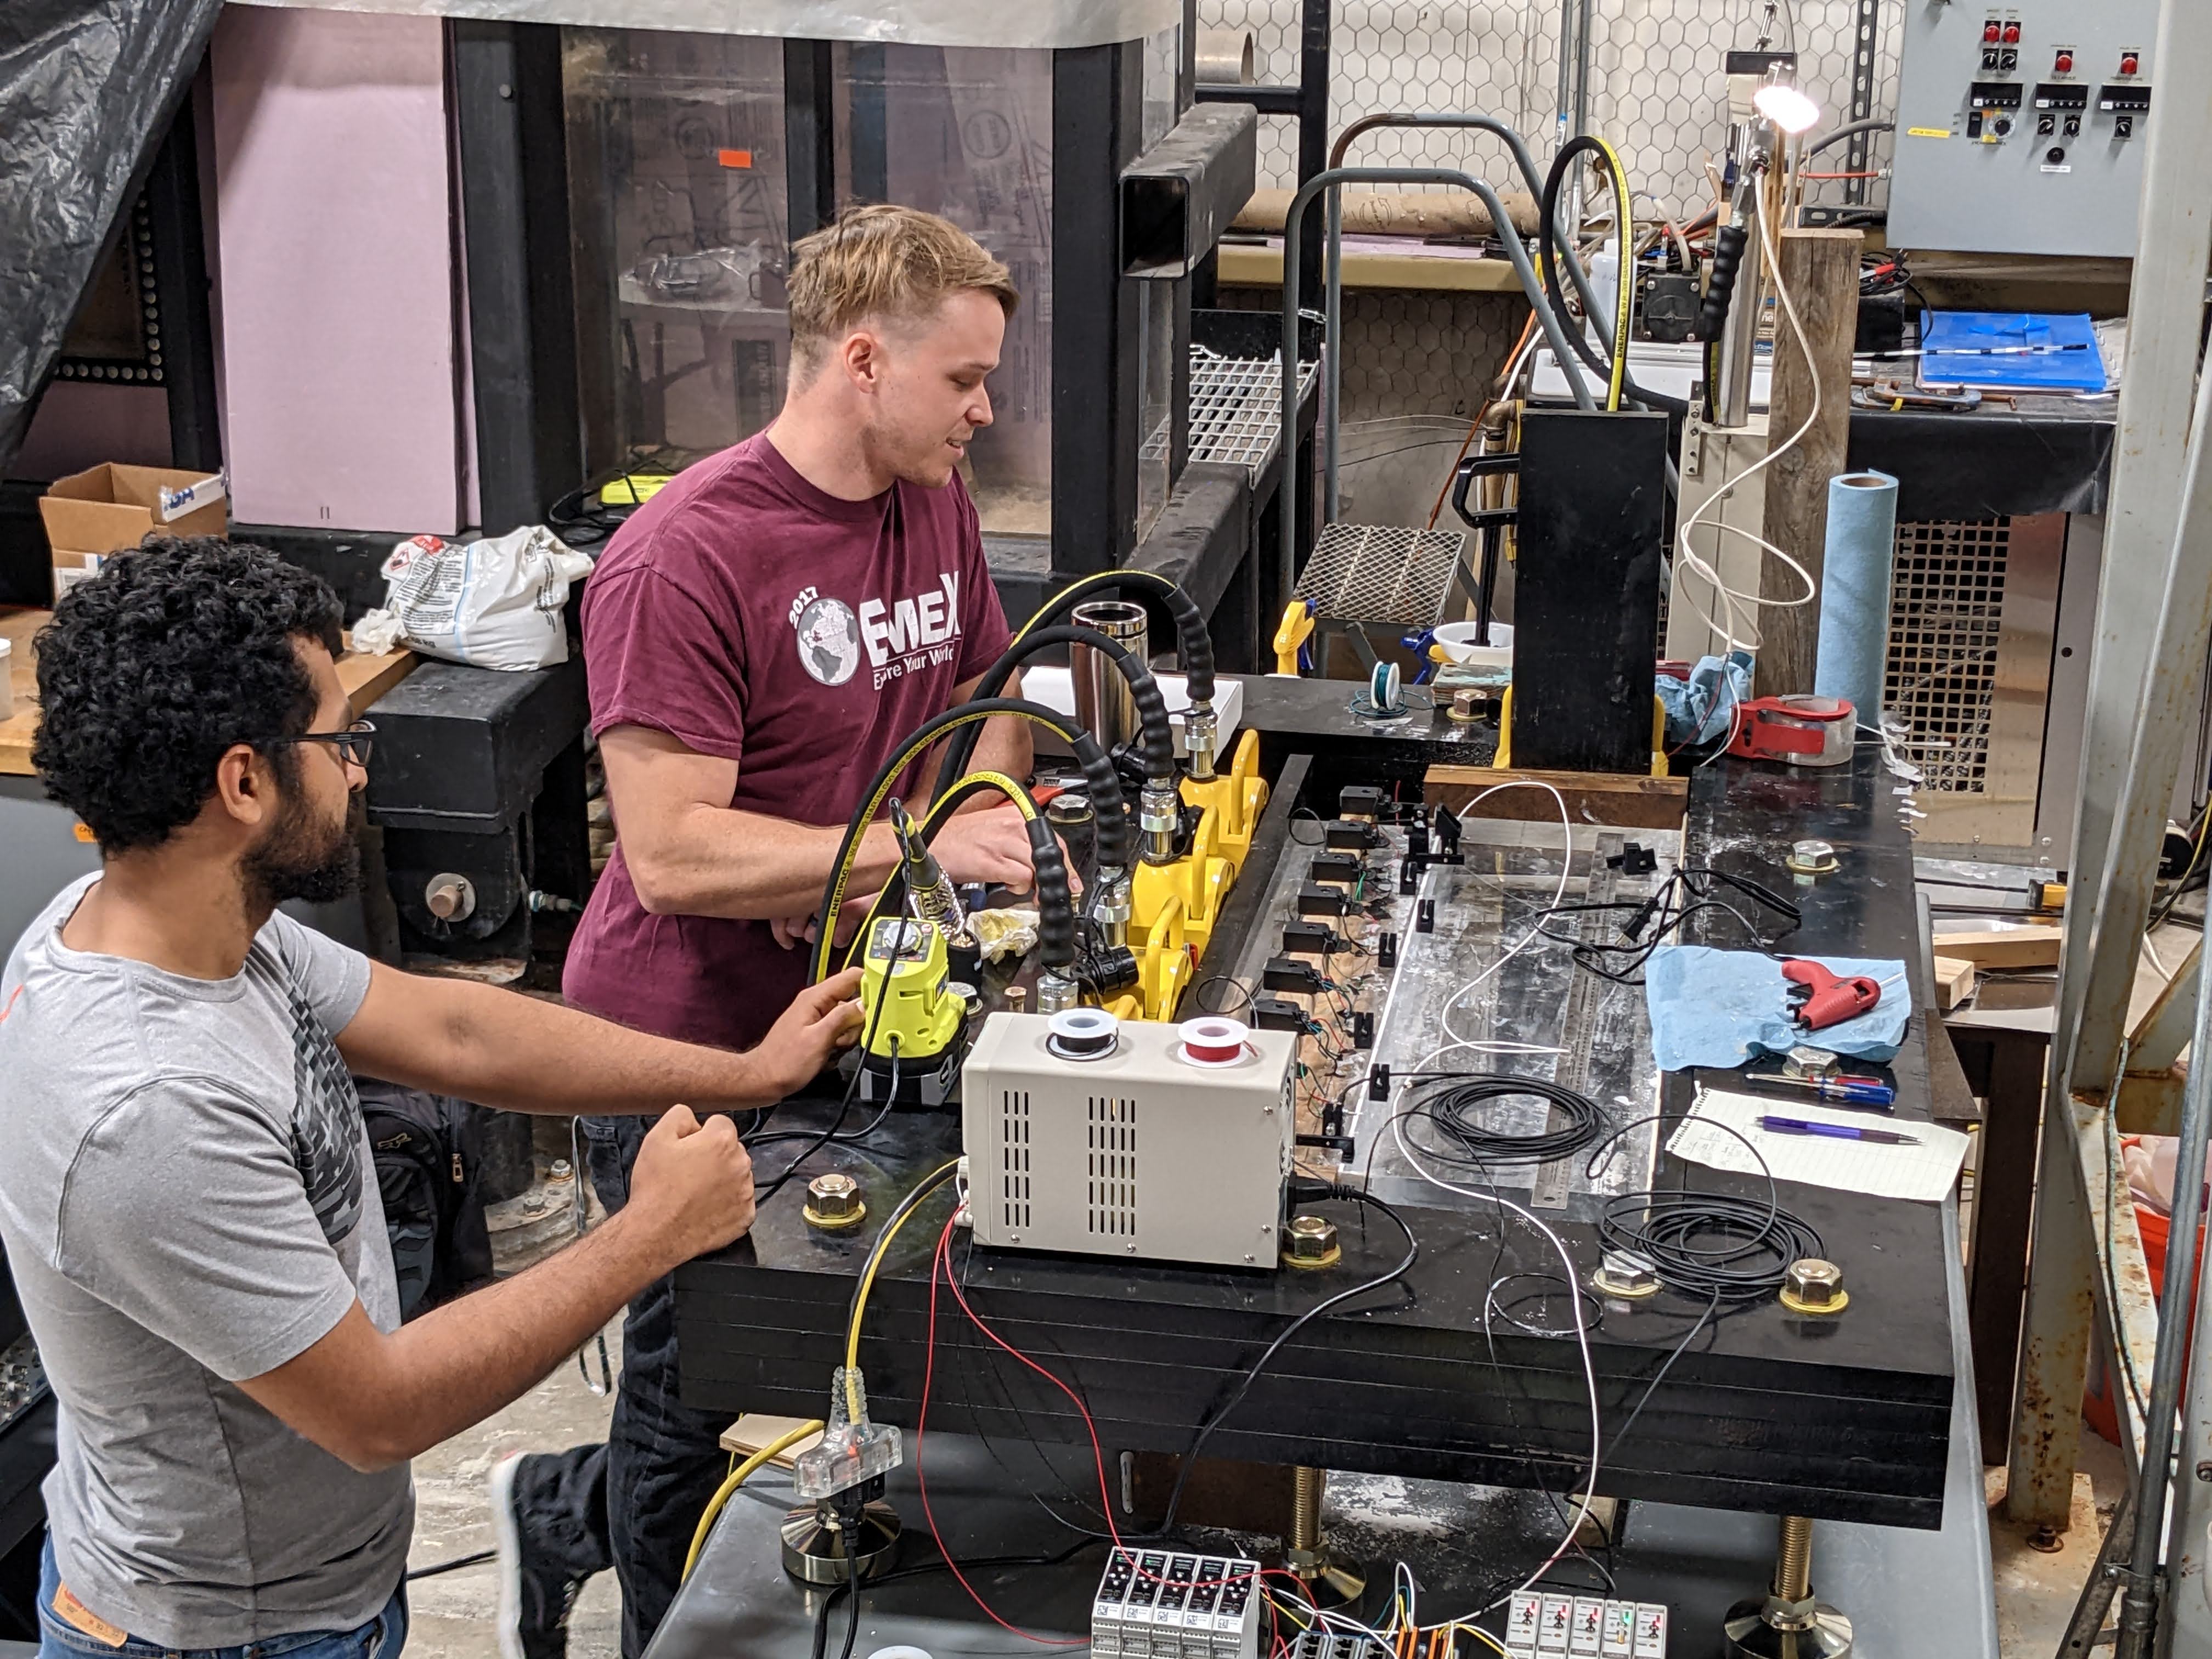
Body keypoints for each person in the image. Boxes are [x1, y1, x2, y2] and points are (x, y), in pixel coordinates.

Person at [0, 540, 864, 1659]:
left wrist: (746, 1071)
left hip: (310, 1587)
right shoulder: (149, 1107)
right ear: (244, 782)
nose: (360, 771)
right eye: (339, 741)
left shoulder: (191, 930)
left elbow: (456, 1029)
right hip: (228, 1634)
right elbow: (381, 1412)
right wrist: (651, 1232)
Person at [497, 202, 1037, 1658]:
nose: (985, 413)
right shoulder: (688, 556)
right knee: (694, 1389)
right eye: (963, 381)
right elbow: (671, 855)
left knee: (854, 1340)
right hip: (678, 1039)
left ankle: (559, 1506)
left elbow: (991, 700)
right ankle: (632, 1601)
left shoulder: (931, 499)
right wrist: (914, 850)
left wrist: (987, 829)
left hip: (847, 1009)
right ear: (863, 359)